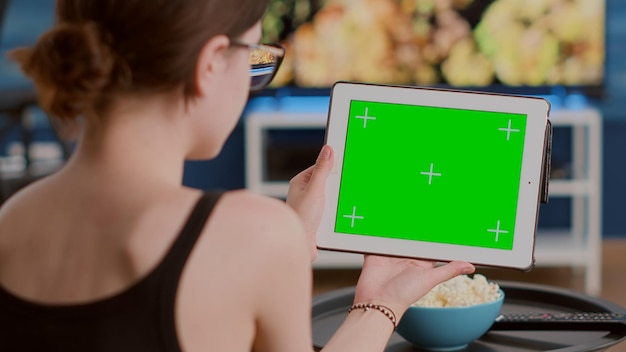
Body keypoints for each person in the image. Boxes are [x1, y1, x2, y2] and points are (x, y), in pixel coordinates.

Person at [0, 1, 475, 351]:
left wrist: (295, 245)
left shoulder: (11, 220)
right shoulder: (253, 235)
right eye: (255, 58)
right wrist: (381, 301)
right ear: (209, 65)